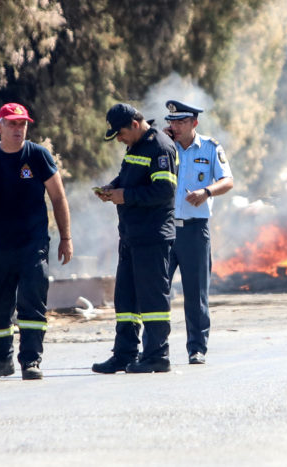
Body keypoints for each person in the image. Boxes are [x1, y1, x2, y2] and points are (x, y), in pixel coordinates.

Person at [0, 103, 73, 381]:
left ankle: (31, 360)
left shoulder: (38, 155)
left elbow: (58, 197)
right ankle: (0, 361)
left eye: (22, 124)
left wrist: (66, 238)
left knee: (31, 302)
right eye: (12, 124)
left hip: (32, 244)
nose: (18, 129)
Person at [91, 103, 178, 374]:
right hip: (130, 235)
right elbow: (130, 176)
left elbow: (164, 191)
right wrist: (114, 187)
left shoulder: (161, 147)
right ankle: (124, 353)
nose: (119, 139)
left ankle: (156, 356)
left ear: (135, 124)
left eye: (121, 133)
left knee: (152, 300)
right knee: (125, 299)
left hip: (152, 236)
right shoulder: (136, 146)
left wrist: (125, 196)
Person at [162, 99, 233, 364]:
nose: (175, 126)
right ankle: (155, 347)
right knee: (158, 290)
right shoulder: (164, 147)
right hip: (166, 229)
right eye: (172, 122)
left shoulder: (211, 148)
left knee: (196, 293)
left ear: (194, 123)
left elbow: (228, 180)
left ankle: (197, 348)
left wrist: (207, 192)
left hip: (194, 231)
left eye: (181, 122)